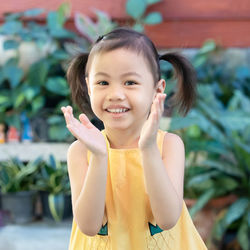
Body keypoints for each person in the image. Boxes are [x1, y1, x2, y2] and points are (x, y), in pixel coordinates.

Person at [61, 27, 207, 250]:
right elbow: (89, 226)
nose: (116, 94)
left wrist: (148, 148)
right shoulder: (81, 152)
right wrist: (100, 157)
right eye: (103, 83)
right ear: (89, 87)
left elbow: (167, 219)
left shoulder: (168, 145)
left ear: (157, 90)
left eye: (130, 82)